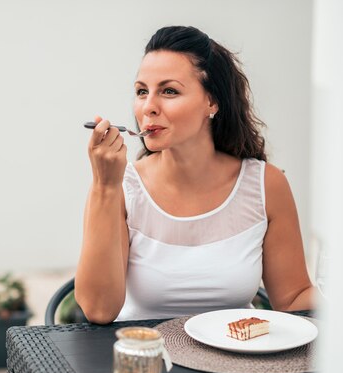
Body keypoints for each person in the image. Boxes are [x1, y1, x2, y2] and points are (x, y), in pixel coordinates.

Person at [75, 26, 314, 324]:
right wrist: (105, 186)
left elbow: (293, 299)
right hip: (144, 361)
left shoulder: (267, 185)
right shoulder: (119, 185)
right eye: (141, 91)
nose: (148, 107)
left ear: (212, 102)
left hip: (237, 363)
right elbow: (98, 310)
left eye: (169, 91)